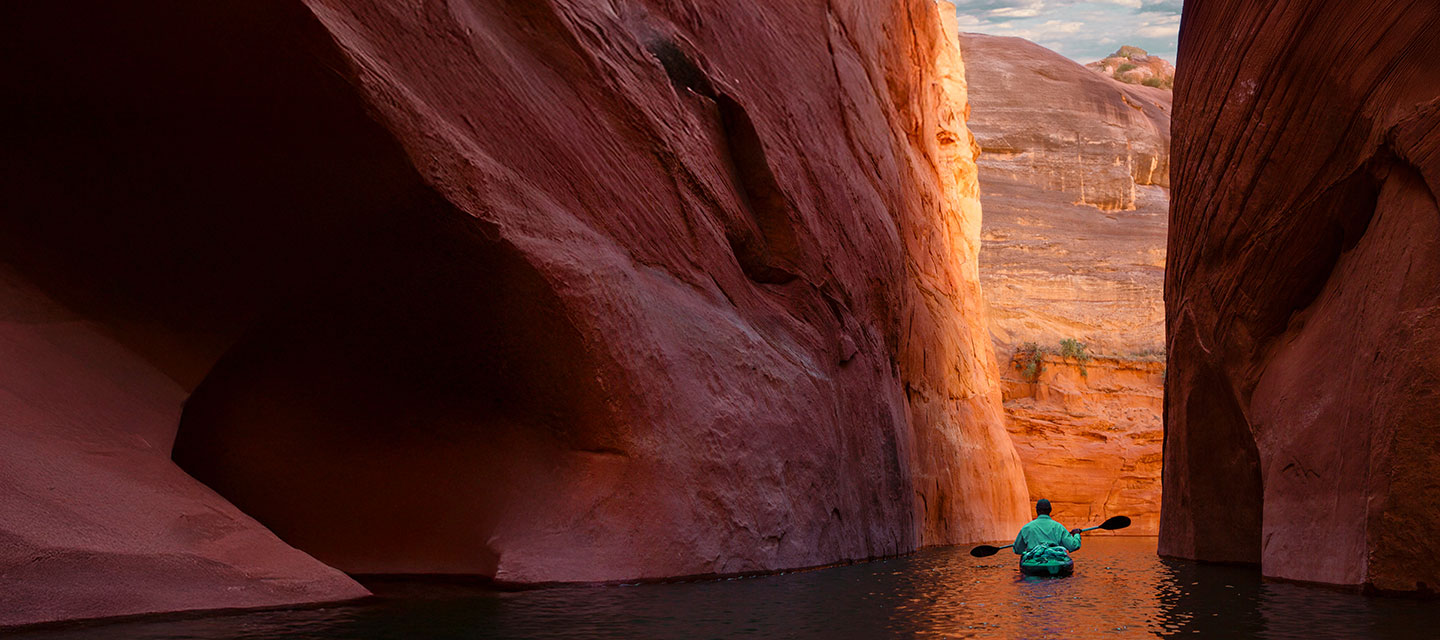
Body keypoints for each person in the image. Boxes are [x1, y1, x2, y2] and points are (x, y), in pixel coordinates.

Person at [1012, 498, 1081, 556]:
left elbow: (1017, 549)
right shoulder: (1059, 527)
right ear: (1050, 510)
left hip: (1034, 560)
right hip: (1054, 559)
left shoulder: (1027, 528)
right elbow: (1073, 546)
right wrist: (1076, 534)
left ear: (1037, 510)